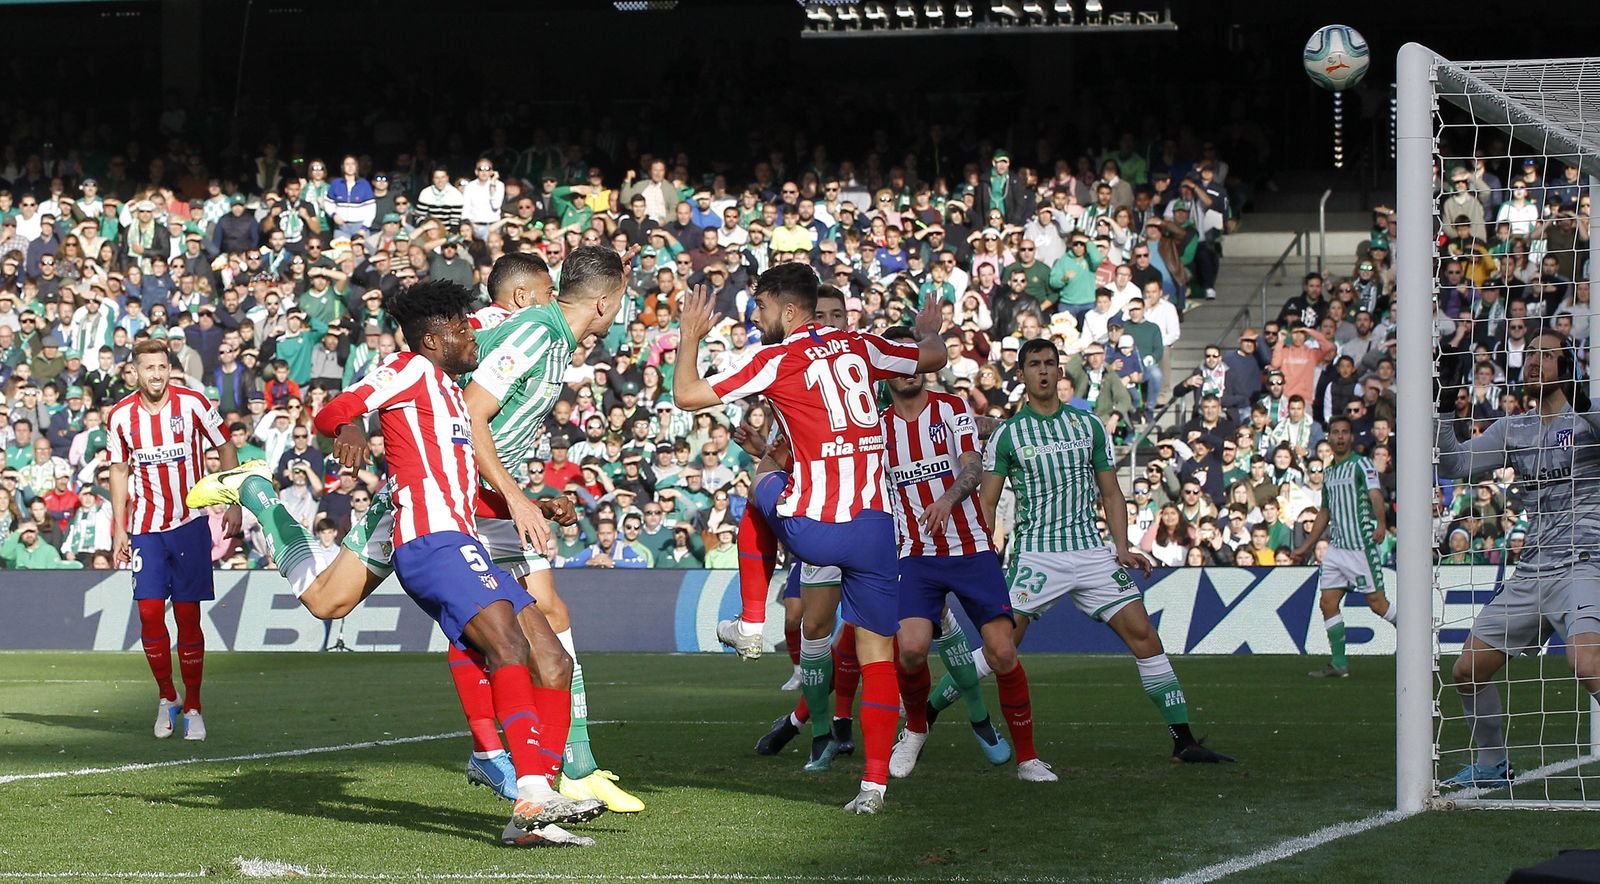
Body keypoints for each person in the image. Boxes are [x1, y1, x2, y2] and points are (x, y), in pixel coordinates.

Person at [322, 279, 603, 844]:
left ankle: (537, 808)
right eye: (461, 326)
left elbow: (458, 486)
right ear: (434, 336)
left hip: (464, 537)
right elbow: (337, 409)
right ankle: (530, 794)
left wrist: (527, 501)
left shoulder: (452, 396)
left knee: (553, 660)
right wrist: (351, 426)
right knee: (509, 646)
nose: (471, 333)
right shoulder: (408, 368)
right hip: (430, 542)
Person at [671, 262, 948, 814]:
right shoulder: (860, 343)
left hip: (816, 527)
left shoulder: (773, 358)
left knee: (761, 487)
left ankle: (751, 623)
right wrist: (927, 328)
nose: (756, 314)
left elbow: (686, 395)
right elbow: (934, 357)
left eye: (762, 306)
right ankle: (873, 787)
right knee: (876, 656)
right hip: (874, 530)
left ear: (788, 310)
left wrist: (688, 338)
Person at [963, 338, 1234, 764]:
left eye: (1050, 363)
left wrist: (1122, 547)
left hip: (1091, 552)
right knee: (1000, 648)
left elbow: (1111, 492)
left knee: (1144, 635)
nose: (1044, 371)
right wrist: (980, 554)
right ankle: (924, 714)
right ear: (1022, 374)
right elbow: (988, 502)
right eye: (1034, 364)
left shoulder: (1087, 426)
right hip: (1037, 555)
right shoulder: (1009, 434)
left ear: (1060, 371)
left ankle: (1184, 741)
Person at [875, 326, 1049, 782]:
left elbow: (972, 465)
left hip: (972, 549)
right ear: (887, 370)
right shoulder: (877, 429)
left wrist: (948, 500)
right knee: (910, 650)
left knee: (1002, 652)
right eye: (899, 361)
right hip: (916, 556)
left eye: (916, 359)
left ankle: (1028, 758)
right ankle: (914, 729)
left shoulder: (952, 409)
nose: (909, 370)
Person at [1436, 331, 1600, 790]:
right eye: (1530, 354)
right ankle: (1492, 764)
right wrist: (1446, 403)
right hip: (1533, 569)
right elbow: (1454, 466)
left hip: (1584, 563)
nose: (1535, 362)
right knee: (1468, 670)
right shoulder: (1515, 428)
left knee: (1588, 666)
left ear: (1567, 365)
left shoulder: (1588, 418)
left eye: (1547, 355)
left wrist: (1582, 394)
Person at [107, 338, 240, 742]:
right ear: (136, 371)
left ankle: (194, 706)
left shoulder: (193, 403)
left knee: (187, 617)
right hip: (146, 528)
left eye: (163, 367)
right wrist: (118, 528)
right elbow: (118, 470)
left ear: (170, 368)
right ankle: (168, 697)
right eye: (149, 368)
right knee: (148, 613)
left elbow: (226, 445)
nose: (157, 374)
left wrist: (232, 501)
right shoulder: (120, 417)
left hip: (189, 524)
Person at [1290, 415, 1396, 678]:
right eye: (1335, 432)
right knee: (1328, 602)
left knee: (1377, 604)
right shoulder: (1331, 472)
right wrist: (1306, 546)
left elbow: (1375, 494)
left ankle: (1418, 640)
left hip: (1361, 546)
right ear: (1329, 437)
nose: (1339, 436)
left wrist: (1380, 524)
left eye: (1344, 432)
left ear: (1350, 437)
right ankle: (1339, 663)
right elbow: (1324, 511)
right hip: (1337, 548)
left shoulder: (1362, 465)